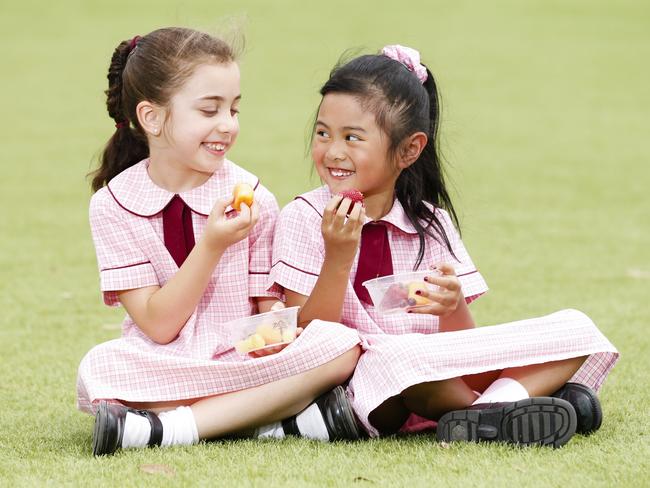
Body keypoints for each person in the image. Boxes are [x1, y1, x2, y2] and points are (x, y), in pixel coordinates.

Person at [269, 45, 619, 447]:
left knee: (576, 327)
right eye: (323, 133)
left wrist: (453, 307)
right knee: (404, 358)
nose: (332, 151)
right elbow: (310, 338)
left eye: (353, 138)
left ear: (409, 150)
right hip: (372, 380)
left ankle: (494, 410)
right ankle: (522, 403)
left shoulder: (431, 223)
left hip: (441, 369)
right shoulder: (303, 217)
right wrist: (338, 257)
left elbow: (462, 343)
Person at [77, 27, 362, 457]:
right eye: (210, 110)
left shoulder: (255, 198)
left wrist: (279, 333)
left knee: (339, 347)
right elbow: (158, 325)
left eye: (234, 109)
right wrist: (211, 245)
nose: (227, 126)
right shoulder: (113, 205)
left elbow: (269, 311)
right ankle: (270, 422)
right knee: (99, 366)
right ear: (152, 118)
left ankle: (168, 429)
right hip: (164, 365)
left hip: (240, 358)